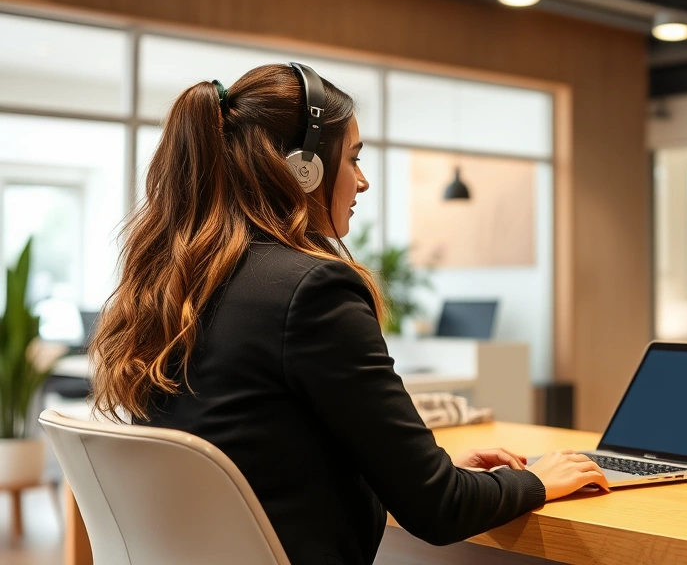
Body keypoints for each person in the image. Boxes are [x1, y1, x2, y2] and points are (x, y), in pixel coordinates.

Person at [90, 63, 608, 565]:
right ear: (304, 167)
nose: (362, 182)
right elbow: (438, 510)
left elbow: (266, 453)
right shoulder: (312, 288)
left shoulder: (177, 284)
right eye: (354, 158)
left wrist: (424, 471)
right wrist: (538, 479)